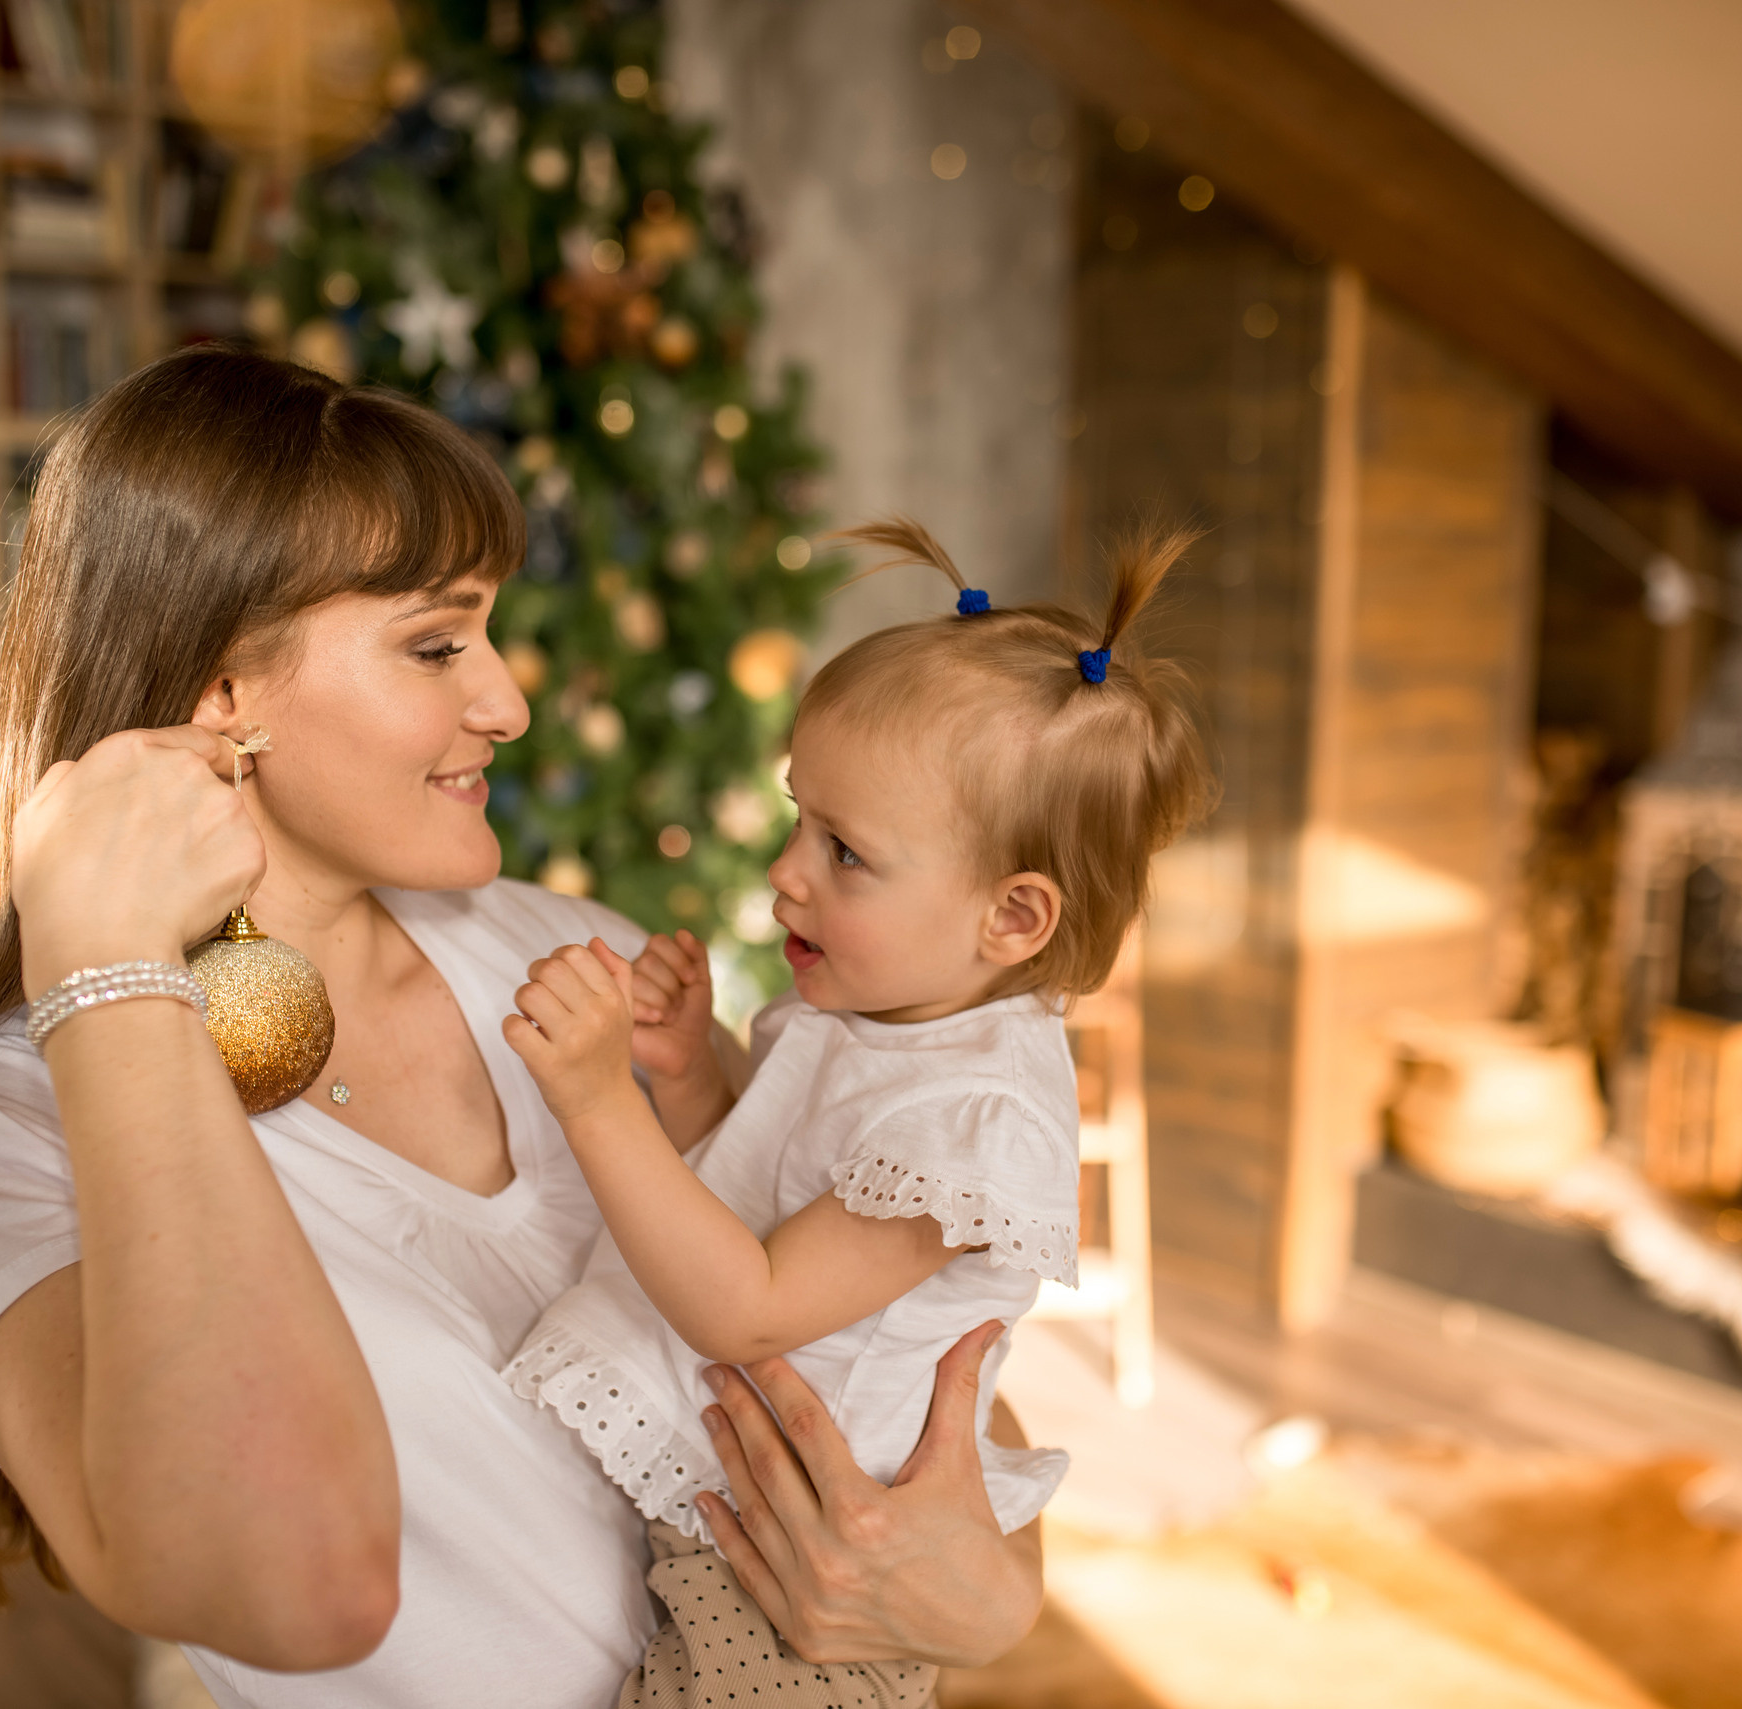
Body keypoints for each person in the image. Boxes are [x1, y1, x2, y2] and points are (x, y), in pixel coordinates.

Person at [0, 348, 1046, 1709]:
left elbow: (907, 1343)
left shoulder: (591, 966)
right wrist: (103, 968)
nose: (506, 701)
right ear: (221, 692)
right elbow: (298, 1584)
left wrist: (991, 1595)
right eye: (438, 644)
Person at [499, 520, 1213, 1706]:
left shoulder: (973, 1122)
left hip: (808, 1585)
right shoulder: (877, 1006)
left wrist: (594, 1104)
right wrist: (689, 1080)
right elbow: (766, 1197)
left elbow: (749, 1301)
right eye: (797, 816)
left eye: (843, 850)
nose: (786, 869)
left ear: (1013, 918)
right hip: (745, 1515)